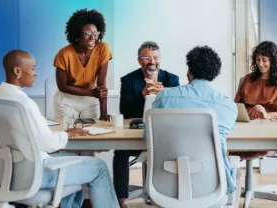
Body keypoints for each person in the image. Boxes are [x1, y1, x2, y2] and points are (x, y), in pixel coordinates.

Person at [0, 50, 119, 208]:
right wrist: (67, 134)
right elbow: (48, 143)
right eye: (32, 69)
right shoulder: (24, 103)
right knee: (99, 167)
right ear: (17, 71)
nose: (35, 74)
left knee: (72, 156)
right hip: (35, 173)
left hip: (6, 173)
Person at [150, 45, 238, 194]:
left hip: (165, 183)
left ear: (189, 71)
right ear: (214, 74)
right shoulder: (228, 106)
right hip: (213, 186)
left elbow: (148, 137)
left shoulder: (164, 97)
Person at [114, 41, 179, 207]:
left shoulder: (172, 79)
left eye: (156, 57)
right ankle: (120, 198)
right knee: (120, 152)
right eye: (147, 58)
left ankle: (171, 195)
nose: (152, 62)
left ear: (160, 59)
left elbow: (178, 108)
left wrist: (164, 94)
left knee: (179, 149)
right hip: (137, 134)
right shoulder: (129, 80)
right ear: (139, 61)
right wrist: (142, 95)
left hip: (164, 135)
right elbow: (125, 111)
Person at [233, 41, 277, 158]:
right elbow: (235, 105)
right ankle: (231, 171)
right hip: (246, 126)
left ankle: (232, 169)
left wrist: (267, 115)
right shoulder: (248, 79)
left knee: (241, 148)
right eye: (257, 60)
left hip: (268, 129)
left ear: (273, 60)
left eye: (264, 60)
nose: (260, 64)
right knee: (224, 144)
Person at [54, 9, 112, 121]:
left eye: (95, 34)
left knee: (91, 133)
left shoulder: (102, 48)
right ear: (77, 35)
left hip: (90, 100)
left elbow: (101, 85)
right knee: (69, 133)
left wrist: (104, 112)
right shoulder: (64, 54)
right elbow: (62, 86)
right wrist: (91, 92)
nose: (92, 38)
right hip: (67, 100)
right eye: (87, 34)